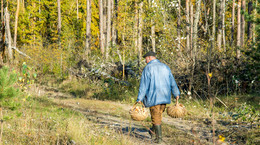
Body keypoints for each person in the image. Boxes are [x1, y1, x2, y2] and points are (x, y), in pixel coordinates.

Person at [136, 51, 180, 144]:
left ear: (149, 58)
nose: (145, 60)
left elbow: (143, 85)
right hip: (164, 96)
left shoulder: (148, 68)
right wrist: (176, 93)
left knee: (156, 117)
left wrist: (139, 98)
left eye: (146, 58)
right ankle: (152, 131)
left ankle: (159, 139)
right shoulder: (165, 67)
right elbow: (172, 81)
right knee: (158, 115)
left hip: (153, 97)